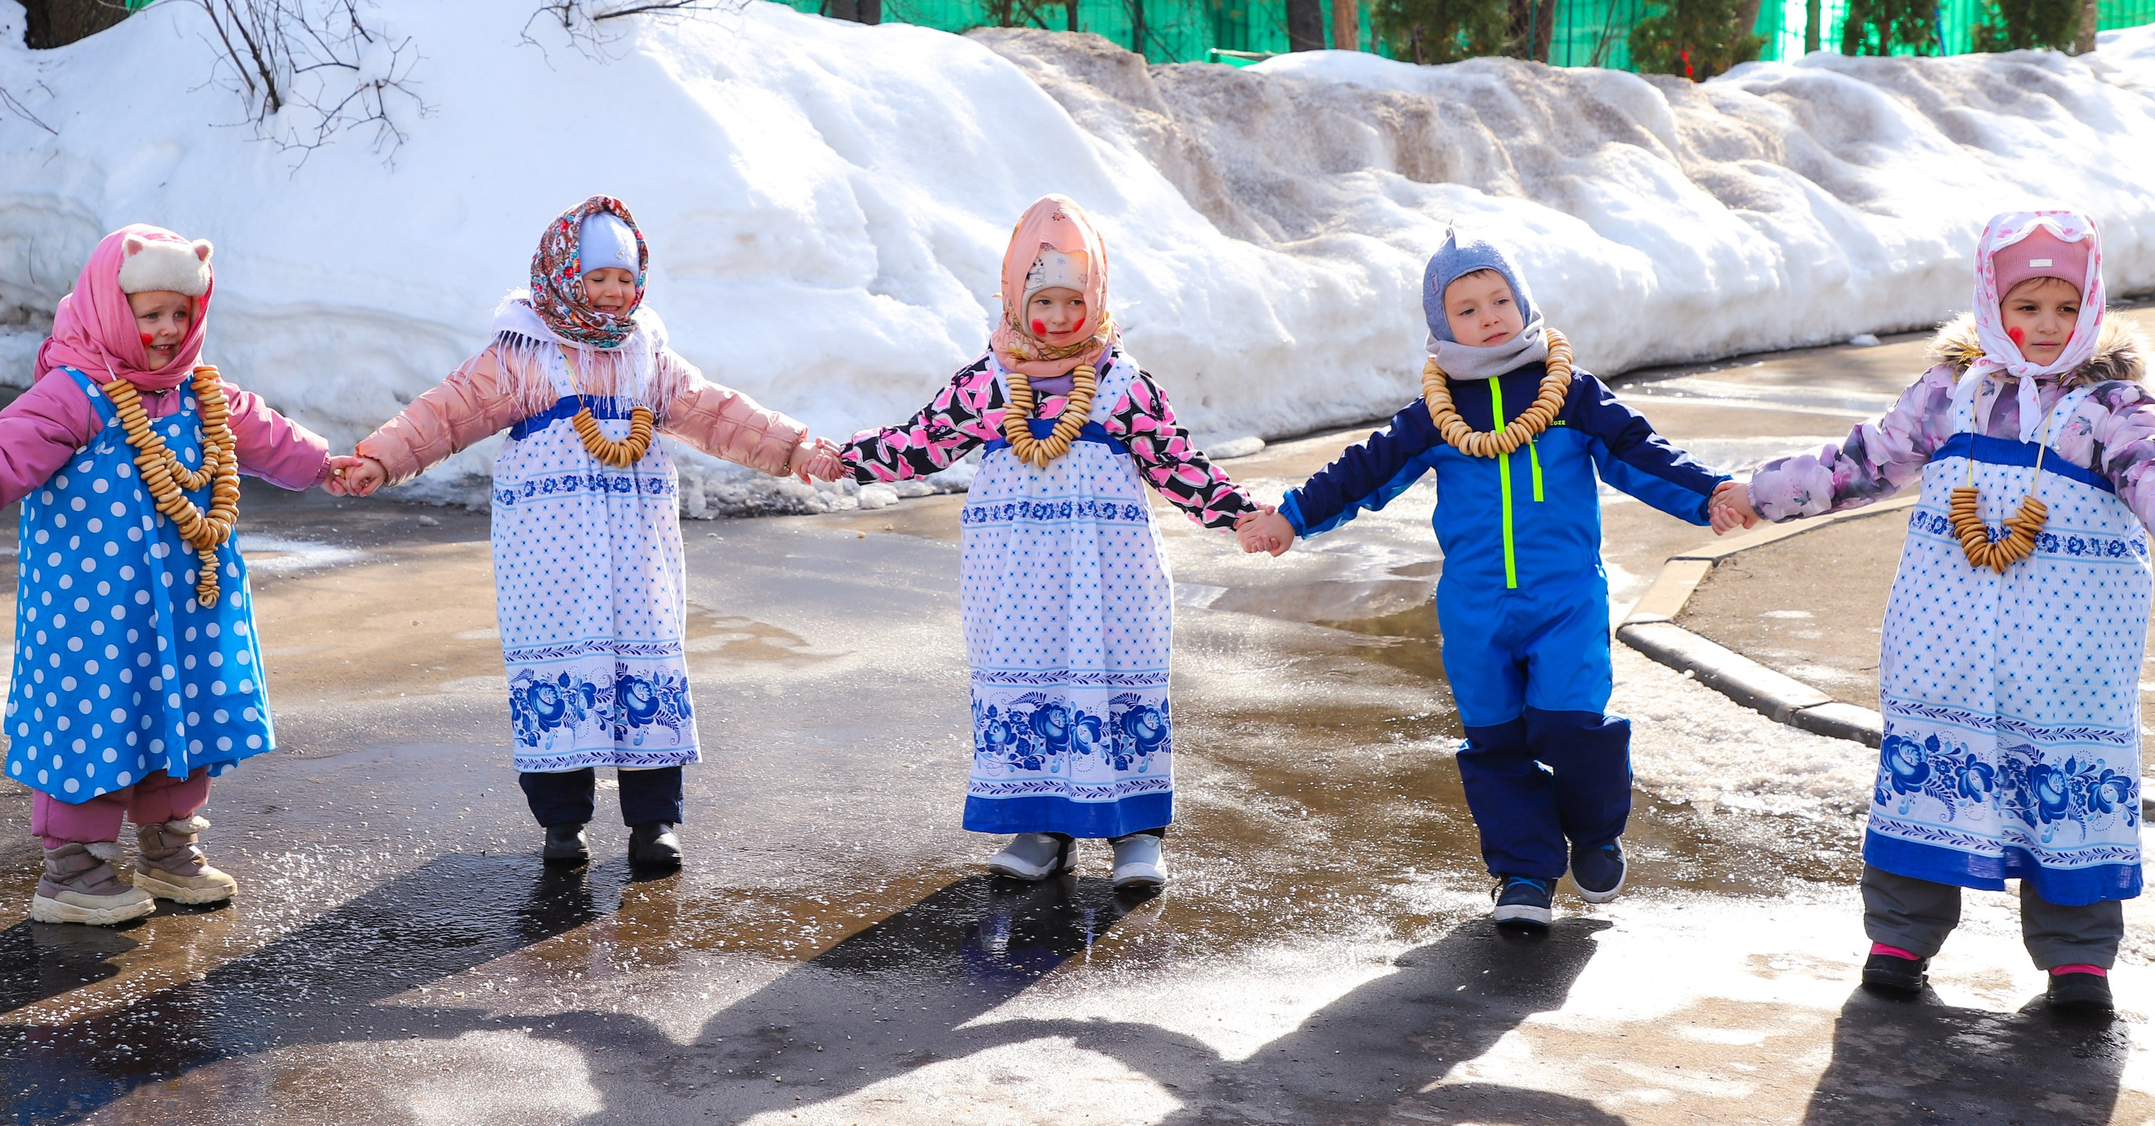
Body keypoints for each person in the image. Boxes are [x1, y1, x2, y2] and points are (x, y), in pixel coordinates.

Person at [1715, 210, 2155, 1016]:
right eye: (2028, 306)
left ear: (2092, 304)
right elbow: (1860, 463)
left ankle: (2078, 960)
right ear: (1993, 303)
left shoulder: (2114, 408)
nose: (2048, 326)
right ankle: (1900, 937)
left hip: (2069, 667)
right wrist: (1759, 492)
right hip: (1944, 642)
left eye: (2066, 306)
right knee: (1928, 775)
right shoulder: (1950, 394)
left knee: (2071, 791)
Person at [1239, 228, 1737, 932]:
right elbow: (1365, 471)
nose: (1490, 315)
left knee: (1572, 725)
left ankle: (1595, 832)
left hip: (1564, 598)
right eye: (1467, 308)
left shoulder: (1569, 395)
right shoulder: (1436, 414)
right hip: (1476, 609)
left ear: (1523, 299)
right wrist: (1292, 517)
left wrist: (1708, 492)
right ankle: (1524, 871)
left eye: (1500, 297)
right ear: (1443, 327)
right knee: (1496, 740)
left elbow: (1639, 452)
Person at [326, 197, 837, 871]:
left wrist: (795, 449)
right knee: (557, 669)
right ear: (564, 274)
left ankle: (654, 821)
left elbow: (717, 412)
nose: (613, 292)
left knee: (646, 665)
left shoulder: (646, 355)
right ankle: (562, 823)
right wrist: (382, 456)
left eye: (624, 279)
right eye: (598, 278)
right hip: (551, 554)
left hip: (636, 550)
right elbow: (447, 412)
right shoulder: (521, 353)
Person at [0, 225, 330, 926]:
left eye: (179, 315)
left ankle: (169, 848)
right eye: (149, 313)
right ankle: (73, 869)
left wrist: (327, 466)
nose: (165, 331)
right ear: (108, 302)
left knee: (181, 716)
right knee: (96, 720)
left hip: (188, 600)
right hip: (95, 610)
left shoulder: (200, 394)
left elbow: (268, 434)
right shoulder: (75, 391)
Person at [833, 196, 1259, 892]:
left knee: (1116, 678)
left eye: (1073, 300)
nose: (1059, 317)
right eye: (1043, 300)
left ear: (1095, 299)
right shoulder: (988, 383)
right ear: (1014, 296)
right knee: (1031, 682)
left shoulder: (1123, 386)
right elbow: (922, 442)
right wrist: (845, 459)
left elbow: (1180, 464)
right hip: (1015, 579)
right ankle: (1041, 826)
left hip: (1110, 574)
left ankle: (1135, 829)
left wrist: (1240, 514)